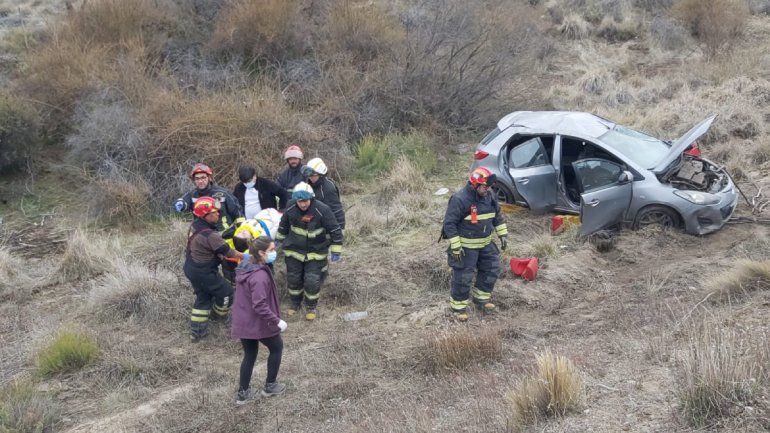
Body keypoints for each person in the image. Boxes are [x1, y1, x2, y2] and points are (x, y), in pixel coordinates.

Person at [441, 167, 508, 322]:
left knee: (492, 268)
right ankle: (458, 308)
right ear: (474, 184)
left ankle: (481, 300)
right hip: (465, 247)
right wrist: (456, 246)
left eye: (488, 186)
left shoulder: (489, 196)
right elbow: (449, 224)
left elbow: (497, 216)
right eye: (485, 186)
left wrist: (503, 234)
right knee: (463, 276)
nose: (488, 189)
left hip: (485, 243)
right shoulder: (459, 199)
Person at [232, 235, 287, 404]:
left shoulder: (246, 267)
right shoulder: (259, 277)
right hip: (257, 322)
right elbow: (260, 305)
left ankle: (243, 393)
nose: (274, 252)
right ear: (262, 253)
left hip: (243, 320)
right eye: (271, 250)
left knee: (250, 354)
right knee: (277, 347)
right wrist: (276, 321)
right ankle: (270, 386)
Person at [276, 182, 343, 321]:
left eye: (305, 201)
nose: (303, 204)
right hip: (294, 251)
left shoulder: (322, 209)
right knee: (293, 279)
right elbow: (283, 225)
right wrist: (278, 240)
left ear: (311, 198)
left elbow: (335, 229)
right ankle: (295, 303)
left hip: (316, 252)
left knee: (311, 281)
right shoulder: (290, 207)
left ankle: (311, 306)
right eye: (300, 201)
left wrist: (336, 251)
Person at [184, 197, 244, 341]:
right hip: (204, 272)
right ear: (204, 215)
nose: (218, 214)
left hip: (191, 268)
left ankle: (197, 334)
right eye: (214, 212)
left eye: (218, 211)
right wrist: (249, 257)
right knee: (227, 293)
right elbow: (230, 252)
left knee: (203, 298)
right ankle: (218, 318)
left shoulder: (195, 225)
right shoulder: (210, 235)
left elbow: (207, 248)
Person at [174, 163, 245, 232]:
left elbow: (237, 213)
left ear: (210, 178)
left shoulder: (223, 193)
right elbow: (183, 203)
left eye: (203, 177)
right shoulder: (192, 195)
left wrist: (240, 229)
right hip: (203, 235)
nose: (200, 181)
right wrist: (181, 204)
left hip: (224, 234)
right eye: (197, 179)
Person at [301, 157, 346, 229]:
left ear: (320, 174)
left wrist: (339, 229)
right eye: (309, 175)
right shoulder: (308, 185)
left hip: (327, 224)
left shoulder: (328, 188)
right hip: (314, 219)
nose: (310, 177)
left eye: (313, 175)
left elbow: (336, 210)